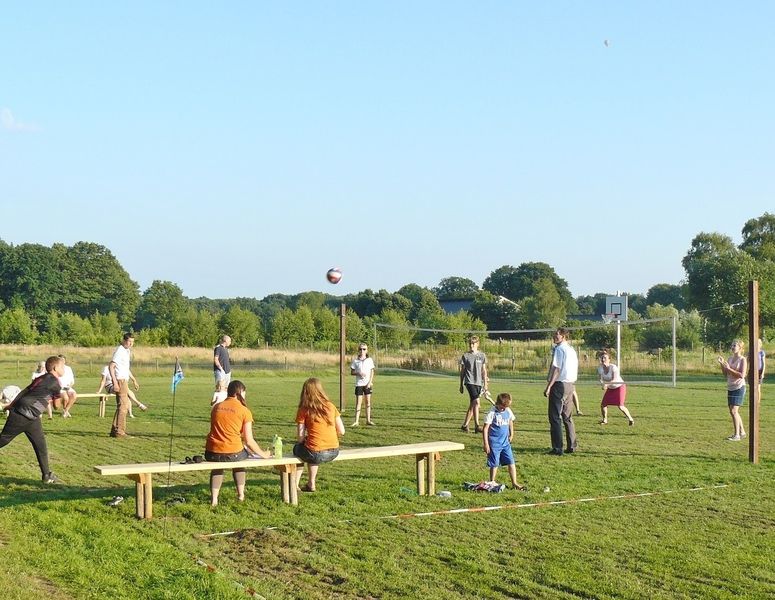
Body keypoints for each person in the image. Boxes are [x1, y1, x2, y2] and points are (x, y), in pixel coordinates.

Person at [205, 380, 271, 506]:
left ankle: (214, 499)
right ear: (239, 393)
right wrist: (264, 454)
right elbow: (249, 440)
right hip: (233, 452)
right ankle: (241, 495)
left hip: (212, 452)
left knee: (218, 466)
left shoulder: (216, 407)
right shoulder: (244, 411)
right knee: (240, 461)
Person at [0, 356, 63, 483]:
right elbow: (57, 406)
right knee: (3, 440)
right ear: (55, 368)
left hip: (30, 416)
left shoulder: (40, 378)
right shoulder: (56, 383)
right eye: (62, 366)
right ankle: (46, 475)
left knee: (41, 445)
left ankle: (46, 475)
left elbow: (24, 392)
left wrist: (11, 405)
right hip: (23, 415)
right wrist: (60, 395)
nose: (64, 369)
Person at [293, 378, 345, 493]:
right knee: (312, 452)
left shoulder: (304, 410)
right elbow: (342, 431)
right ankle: (311, 483)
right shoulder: (331, 406)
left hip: (315, 452)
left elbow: (300, 437)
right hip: (333, 451)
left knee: (298, 449)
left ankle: (295, 484)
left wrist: (307, 439)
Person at [543, 328, 579, 455]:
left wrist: (549, 386)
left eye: (557, 334)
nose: (554, 336)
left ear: (563, 337)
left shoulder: (559, 349)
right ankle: (572, 445)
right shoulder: (571, 349)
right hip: (570, 385)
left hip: (560, 384)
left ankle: (557, 448)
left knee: (555, 417)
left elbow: (556, 369)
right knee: (567, 417)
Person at [482, 392, 524, 490]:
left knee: (511, 462)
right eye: (502, 407)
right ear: (497, 404)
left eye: (505, 407)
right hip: (494, 444)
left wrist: (511, 433)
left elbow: (510, 421)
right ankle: (492, 482)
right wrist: (486, 444)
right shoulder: (492, 413)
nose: (503, 409)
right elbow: (485, 429)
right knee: (495, 463)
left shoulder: (508, 411)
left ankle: (514, 483)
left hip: (505, 443)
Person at [109, 332, 140, 438]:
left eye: (132, 342)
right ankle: (120, 431)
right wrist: (115, 382)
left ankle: (114, 430)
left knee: (122, 405)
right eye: (129, 341)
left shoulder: (127, 351)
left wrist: (133, 380)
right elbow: (111, 366)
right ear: (124, 340)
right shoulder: (120, 351)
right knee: (124, 406)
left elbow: (125, 368)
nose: (131, 344)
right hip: (120, 380)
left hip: (124, 380)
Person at [718, 340, 747, 441]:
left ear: (740, 348)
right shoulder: (730, 358)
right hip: (730, 387)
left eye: (735, 345)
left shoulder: (743, 359)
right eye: (732, 345)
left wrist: (729, 368)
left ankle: (737, 435)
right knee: (732, 411)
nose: (733, 347)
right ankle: (742, 432)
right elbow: (726, 374)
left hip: (739, 387)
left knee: (734, 411)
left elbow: (742, 375)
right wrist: (722, 364)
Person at [459, 335, 489, 433]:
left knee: (473, 404)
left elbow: (484, 371)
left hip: (478, 382)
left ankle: (465, 425)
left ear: (477, 344)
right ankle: (477, 426)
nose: (471, 346)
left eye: (473, 344)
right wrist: (461, 384)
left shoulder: (482, 355)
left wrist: (485, 384)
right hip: (469, 381)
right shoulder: (465, 356)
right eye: (470, 344)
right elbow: (462, 371)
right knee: (476, 402)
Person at [597, 350, 634, 426]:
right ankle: (605, 420)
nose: (603, 360)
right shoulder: (600, 368)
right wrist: (602, 384)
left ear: (609, 360)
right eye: (602, 358)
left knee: (620, 406)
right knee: (603, 404)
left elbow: (614, 379)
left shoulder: (613, 367)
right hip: (610, 388)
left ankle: (631, 419)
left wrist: (606, 385)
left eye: (605, 358)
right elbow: (600, 378)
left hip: (619, 386)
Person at [350, 343, 376, 426]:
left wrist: (370, 382)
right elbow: (352, 372)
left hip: (367, 384)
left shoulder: (369, 360)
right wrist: (358, 373)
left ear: (367, 350)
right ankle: (356, 421)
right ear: (358, 350)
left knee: (368, 402)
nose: (362, 351)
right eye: (361, 349)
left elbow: (372, 371)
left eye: (364, 349)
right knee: (359, 403)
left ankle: (368, 420)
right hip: (359, 384)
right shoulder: (355, 361)